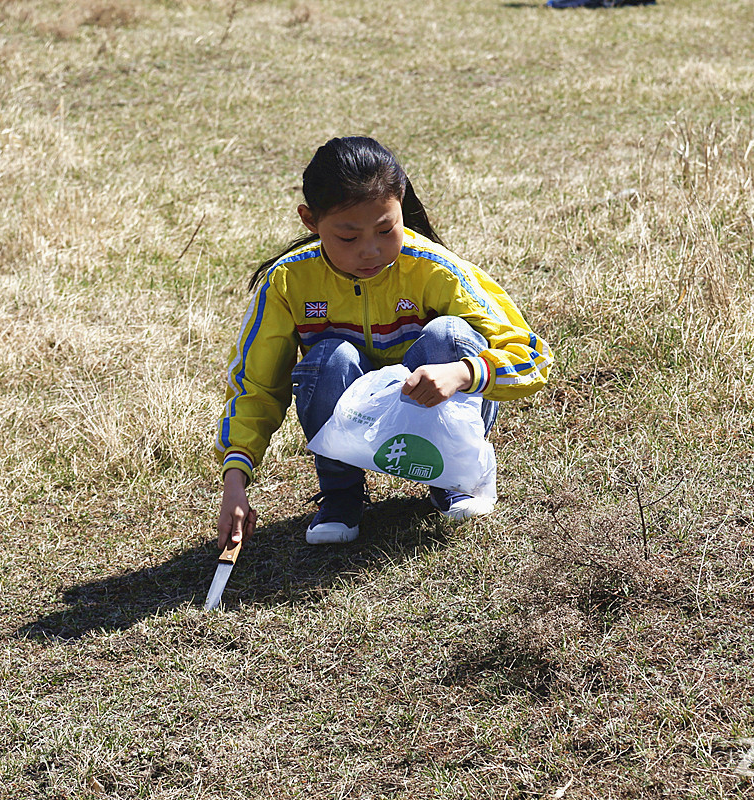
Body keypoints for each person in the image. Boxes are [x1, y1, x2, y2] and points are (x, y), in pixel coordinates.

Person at [215, 136, 552, 549]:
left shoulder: (435, 269)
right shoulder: (287, 282)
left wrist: (463, 372)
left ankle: (454, 479)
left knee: (448, 335)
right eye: (348, 237)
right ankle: (342, 496)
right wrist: (236, 481)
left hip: (431, 406)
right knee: (329, 358)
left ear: (401, 205)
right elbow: (256, 385)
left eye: (385, 228)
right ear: (309, 221)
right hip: (353, 425)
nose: (370, 250)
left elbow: (532, 356)